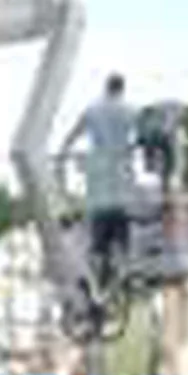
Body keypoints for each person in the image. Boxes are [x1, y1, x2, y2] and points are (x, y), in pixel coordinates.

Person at [59, 73, 138, 291]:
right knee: (122, 237)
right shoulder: (131, 111)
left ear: (106, 88)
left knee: (98, 241)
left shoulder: (92, 110)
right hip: (122, 182)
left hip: (99, 184)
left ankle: (98, 286)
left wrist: (65, 161)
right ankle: (122, 276)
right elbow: (141, 139)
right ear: (122, 89)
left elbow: (69, 140)